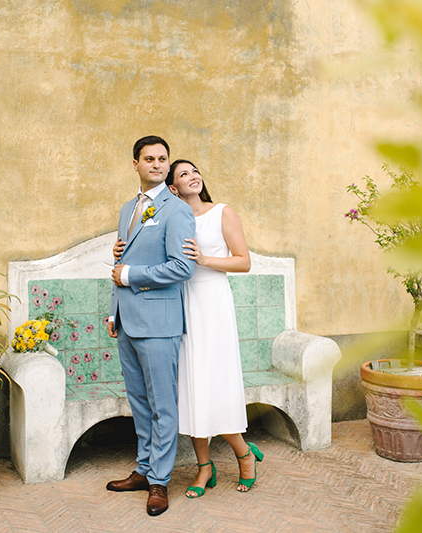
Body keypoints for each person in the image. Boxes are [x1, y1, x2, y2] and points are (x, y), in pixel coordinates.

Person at [114, 158, 264, 499]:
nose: (193, 177)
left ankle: (244, 455)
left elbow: (244, 261)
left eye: (195, 171)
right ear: (172, 186)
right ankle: (204, 467)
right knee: (189, 387)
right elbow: (146, 251)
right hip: (178, 305)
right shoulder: (166, 213)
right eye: (184, 174)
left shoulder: (222, 212)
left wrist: (204, 260)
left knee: (215, 383)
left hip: (211, 305)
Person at [105, 136, 196, 517]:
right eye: (149, 158)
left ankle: (160, 480)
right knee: (140, 403)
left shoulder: (176, 211)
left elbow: (182, 267)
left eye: (163, 159)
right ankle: (143, 469)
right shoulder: (129, 207)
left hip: (159, 323)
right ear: (135, 164)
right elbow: (119, 264)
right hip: (127, 322)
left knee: (162, 405)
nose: (157, 164)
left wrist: (130, 275)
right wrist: (114, 311)